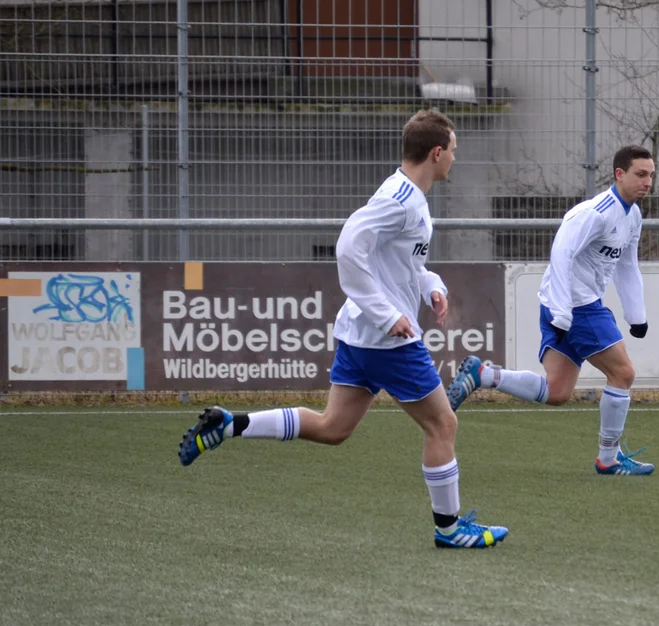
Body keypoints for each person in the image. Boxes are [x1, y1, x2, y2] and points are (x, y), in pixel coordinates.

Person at [178, 109, 509, 549]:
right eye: (452, 150)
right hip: (386, 341)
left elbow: (399, 263)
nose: (454, 158)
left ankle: (230, 424)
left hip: (359, 335)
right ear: (435, 152)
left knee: (334, 427)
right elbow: (348, 250)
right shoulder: (400, 200)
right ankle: (449, 530)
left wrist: (431, 286)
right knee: (442, 425)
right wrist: (387, 315)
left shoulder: (407, 195)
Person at [447, 145, 656, 476]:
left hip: (572, 305)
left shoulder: (633, 215)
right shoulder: (596, 213)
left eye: (651, 176)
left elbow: (627, 265)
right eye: (640, 174)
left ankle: (483, 374)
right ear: (620, 174)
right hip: (576, 306)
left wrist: (637, 315)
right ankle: (609, 458)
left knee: (557, 391)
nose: (648, 182)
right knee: (623, 373)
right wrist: (562, 313)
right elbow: (562, 253)